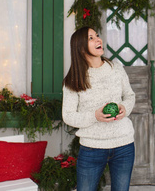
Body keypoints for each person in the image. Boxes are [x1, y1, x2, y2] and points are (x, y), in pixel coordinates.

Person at [62, 26, 136, 191]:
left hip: (124, 144)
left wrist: (124, 108)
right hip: (91, 149)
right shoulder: (74, 79)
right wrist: (94, 116)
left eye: (97, 35)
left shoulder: (116, 68)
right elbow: (68, 116)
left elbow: (130, 96)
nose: (98, 39)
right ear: (80, 48)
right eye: (91, 38)